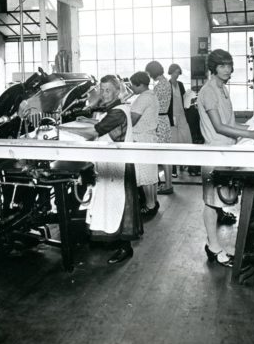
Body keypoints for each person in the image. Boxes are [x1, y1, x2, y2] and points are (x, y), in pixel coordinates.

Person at [58, 75, 143, 265]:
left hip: (118, 166)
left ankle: (124, 248)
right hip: (110, 164)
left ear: (116, 91)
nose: (103, 94)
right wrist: (85, 120)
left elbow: (96, 132)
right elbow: (101, 126)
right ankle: (113, 240)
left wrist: (66, 128)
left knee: (120, 205)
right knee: (109, 203)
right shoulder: (115, 108)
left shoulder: (118, 112)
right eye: (102, 90)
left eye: (107, 90)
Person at [197, 49, 254, 267]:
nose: (228, 69)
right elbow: (219, 127)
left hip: (227, 149)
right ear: (213, 68)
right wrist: (251, 134)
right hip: (214, 151)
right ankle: (213, 247)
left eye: (230, 65)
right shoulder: (209, 91)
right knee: (211, 202)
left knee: (219, 202)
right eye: (223, 65)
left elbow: (230, 123)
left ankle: (213, 245)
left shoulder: (223, 90)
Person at [129, 71, 160, 218]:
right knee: (152, 175)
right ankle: (153, 202)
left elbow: (132, 120)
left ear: (139, 84)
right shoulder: (151, 95)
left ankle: (149, 206)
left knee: (145, 176)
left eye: (132, 85)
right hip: (150, 137)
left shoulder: (143, 98)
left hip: (141, 139)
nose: (131, 89)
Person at [145, 60, 173, 195]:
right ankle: (168, 184)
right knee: (166, 154)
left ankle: (164, 185)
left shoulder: (158, 86)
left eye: (149, 73)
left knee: (160, 155)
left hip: (159, 120)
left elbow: (151, 104)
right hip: (165, 119)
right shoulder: (166, 83)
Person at [167, 63, 192, 178]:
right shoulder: (166, 85)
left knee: (184, 138)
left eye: (178, 72)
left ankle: (183, 164)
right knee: (173, 141)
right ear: (171, 72)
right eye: (175, 72)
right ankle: (173, 169)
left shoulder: (181, 84)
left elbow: (184, 99)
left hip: (181, 114)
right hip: (171, 115)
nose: (177, 75)